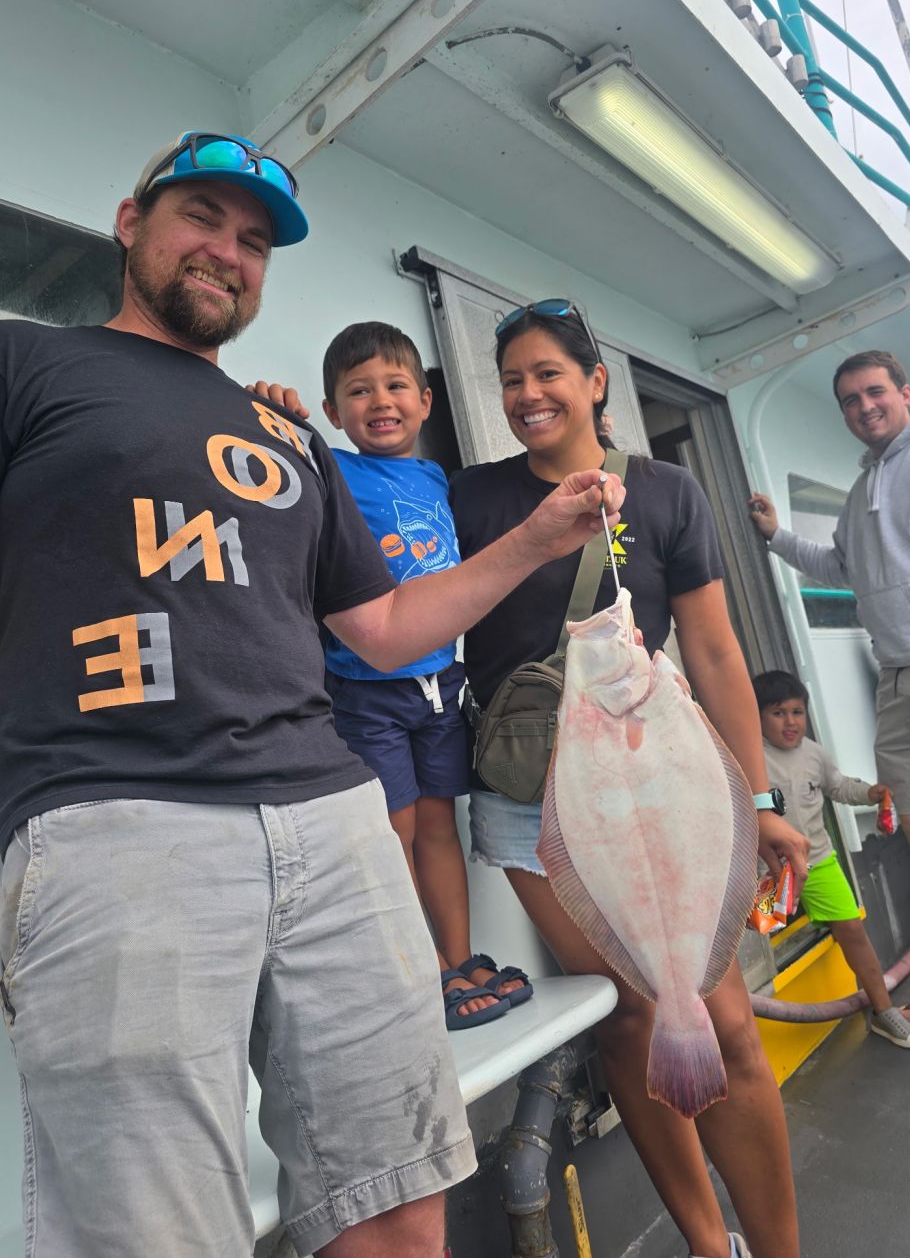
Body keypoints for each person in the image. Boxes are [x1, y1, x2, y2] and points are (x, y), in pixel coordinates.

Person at [0, 134, 627, 1258]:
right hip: (113, 816)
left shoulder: (287, 432)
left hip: (335, 821)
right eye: (202, 218)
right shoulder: (29, 365)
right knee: (148, 1232)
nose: (227, 253)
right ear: (131, 221)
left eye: (253, 243)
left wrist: (535, 540)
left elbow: (383, 628)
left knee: (397, 1201)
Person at [448, 301, 811, 1258]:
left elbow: (719, 654)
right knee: (636, 1015)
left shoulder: (665, 493)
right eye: (512, 380)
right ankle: (706, 1241)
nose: (529, 394)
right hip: (534, 808)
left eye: (548, 374)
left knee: (725, 1024)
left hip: (661, 795)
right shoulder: (470, 498)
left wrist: (760, 802)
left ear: (594, 381)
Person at [748, 349, 910, 1034]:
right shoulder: (864, 490)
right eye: (851, 401)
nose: (864, 407)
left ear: (905, 391)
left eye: (875, 392)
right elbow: (840, 566)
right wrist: (776, 538)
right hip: (898, 681)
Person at [320, 320, 532, 1029]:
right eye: (358, 391)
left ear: (426, 400)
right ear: (333, 413)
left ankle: (460, 955)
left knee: (442, 821)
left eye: (395, 385)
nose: (380, 401)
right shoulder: (332, 467)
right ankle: (424, 970)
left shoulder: (436, 477)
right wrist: (275, 408)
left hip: (442, 685)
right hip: (367, 688)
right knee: (397, 828)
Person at [752, 670, 910, 1049]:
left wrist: (870, 792)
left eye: (798, 712)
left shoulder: (814, 753)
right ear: (757, 716)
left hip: (819, 865)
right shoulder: (750, 759)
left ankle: (884, 1012)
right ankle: (749, 1034)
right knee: (756, 933)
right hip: (770, 872)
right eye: (778, 713)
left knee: (853, 932)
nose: (791, 721)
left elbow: (839, 786)